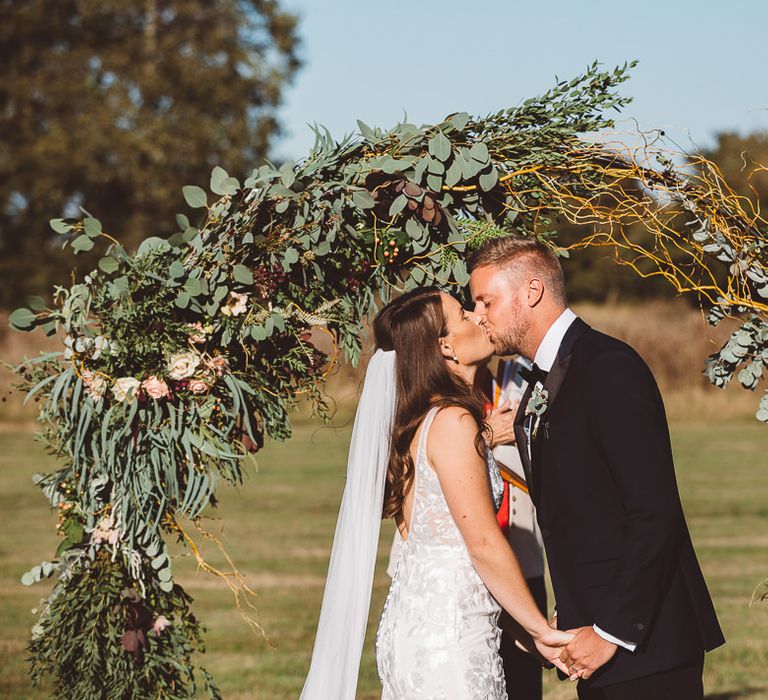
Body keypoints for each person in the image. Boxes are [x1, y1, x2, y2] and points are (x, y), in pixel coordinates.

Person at [468, 235, 725, 700]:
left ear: (531, 291)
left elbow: (654, 512)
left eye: (487, 300)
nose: (479, 315)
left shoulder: (608, 367)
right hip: (593, 641)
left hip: (645, 645)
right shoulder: (537, 383)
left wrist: (609, 632)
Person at [300, 286, 573, 700]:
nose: (477, 316)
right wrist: (541, 630)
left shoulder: (420, 421)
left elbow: (450, 554)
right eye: (464, 315)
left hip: (424, 627)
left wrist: (524, 634)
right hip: (448, 641)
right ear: (444, 346)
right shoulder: (453, 422)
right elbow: (481, 544)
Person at [477, 357, 547, 700]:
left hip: (522, 555)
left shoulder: (521, 376)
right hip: (464, 569)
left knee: (522, 682)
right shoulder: (431, 387)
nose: (480, 318)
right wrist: (485, 435)